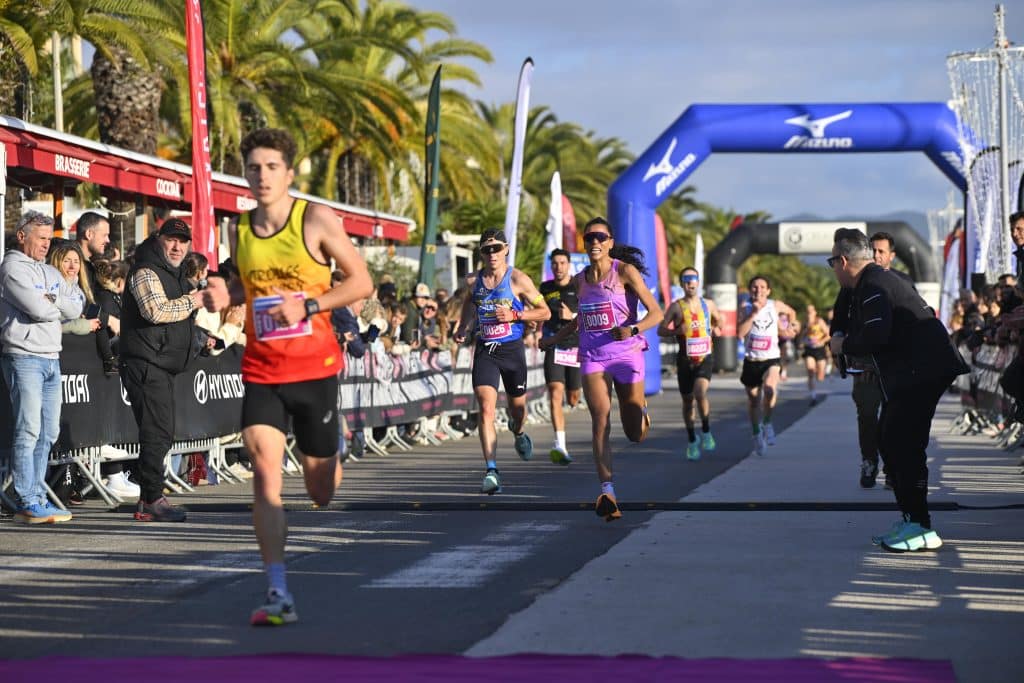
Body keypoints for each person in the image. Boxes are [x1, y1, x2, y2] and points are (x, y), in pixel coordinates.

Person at [204, 127, 373, 626]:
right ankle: (277, 590)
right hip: (262, 369)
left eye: (271, 167)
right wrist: (227, 295)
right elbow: (248, 289)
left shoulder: (314, 219)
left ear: (289, 173)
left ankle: (331, 448)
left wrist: (311, 304)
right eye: (253, 167)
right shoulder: (240, 226)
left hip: (314, 368)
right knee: (265, 476)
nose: (262, 176)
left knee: (320, 491)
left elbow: (360, 282)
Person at [828, 228, 967, 552]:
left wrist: (843, 345)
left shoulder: (874, 284)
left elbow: (876, 335)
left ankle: (920, 525)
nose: (832, 268)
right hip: (916, 370)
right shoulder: (870, 282)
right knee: (890, 439)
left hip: (923, 370)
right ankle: (912, 519)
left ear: (843, 261)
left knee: (902, 443)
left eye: (832, 262)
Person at [546, 217, 663, 521]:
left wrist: (633, 329)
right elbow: (581, 318)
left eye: (600, 237)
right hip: (593, 356)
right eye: (589, 238)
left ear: (610, 242)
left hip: (626, 355)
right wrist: (554, 339)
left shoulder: (624, 272)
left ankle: (640, 411)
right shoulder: (580, 280)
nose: (594, 242)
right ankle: (607, 493)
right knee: (600, 420)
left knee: (634, 433)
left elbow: (656, 313)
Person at [119, 217, 211, 523]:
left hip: (162, 364)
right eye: (171, 240)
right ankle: (152, 499)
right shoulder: (146, 270)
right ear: (159, 239)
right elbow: (155, 311)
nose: (177, 247)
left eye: (183, 242)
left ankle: (149, 496)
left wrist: (201, 340)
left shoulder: (176, 274)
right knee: (156, 432)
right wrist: (193, 300)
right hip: (145, 362)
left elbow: (181, 320)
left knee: (161, 432)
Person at [453, 228, 550, 495]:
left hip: (512, 351)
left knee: (517, 411)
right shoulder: (473, 281)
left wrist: (516, 316)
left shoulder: (518, 279)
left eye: (497, 248)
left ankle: (518, 432)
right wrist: (463, 326)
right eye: (487, 250)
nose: (492, 254)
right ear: (481, 253)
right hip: (486, 350)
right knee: (486, 409)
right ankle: (492, 470)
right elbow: (469, 302)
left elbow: (545, 312)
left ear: (506, 249)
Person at [0, 211, 81, 523]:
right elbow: (38, 310)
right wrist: (56, 302)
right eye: (41, 238)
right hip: (24, 357)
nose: (47, 244)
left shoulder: (48, 270)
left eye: (49, 238)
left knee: (48, 432)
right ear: (22, 236)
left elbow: (77, 306)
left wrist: (53, 299)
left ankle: (36, 495)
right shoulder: (12, 268)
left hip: (51, 358)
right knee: (29, 429)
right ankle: (27, 499)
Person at [658, 266, 720, 461]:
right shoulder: (676, 307)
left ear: (698, 282)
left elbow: (719, 321)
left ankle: (706, 430)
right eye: (686, 279)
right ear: (682, 284)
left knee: (700, 393)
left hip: (704, 357)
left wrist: (716, 328)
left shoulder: (708, 304)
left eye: (693, 278)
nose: (690, 282)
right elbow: (660, 330)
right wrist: (676, 331)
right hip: (685, 359)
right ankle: (692, 439)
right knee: (687, 401)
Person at [736, 275, 797, 456]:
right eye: (755, 287)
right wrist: (753, 314)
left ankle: (768, 422)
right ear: (750, 290)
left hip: (771, 358)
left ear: (768, 291)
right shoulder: (745, 307)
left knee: (770, 389)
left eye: (763, 287)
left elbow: (791, 312)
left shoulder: (775, 305)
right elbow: (740, 333)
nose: (759, 290)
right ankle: (756, 433)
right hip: (752, 360)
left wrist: (790, 326)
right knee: (754, 401)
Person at [537, 248, 581, 465]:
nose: (558, 267)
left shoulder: (579, 286)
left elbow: (589, 313)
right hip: (554, 345)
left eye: (562, 263)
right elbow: (538, 311)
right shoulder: (545, 288)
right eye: (555, 263)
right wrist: (534, 327)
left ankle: (573, 398)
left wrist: (571, 315)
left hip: (575, 347)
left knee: (573, 398)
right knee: (555, 392)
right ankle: (560, 445)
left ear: (568, 265)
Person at [801, 304, 830, 406]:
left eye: (811, 311)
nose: (809, 313)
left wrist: (821, 341)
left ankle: (819, 371)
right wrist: (805, 336)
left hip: (820, 350)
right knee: (810, 371)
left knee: (820, 377)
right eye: (807, 311)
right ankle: (813, 396)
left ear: (815, 312)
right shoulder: (804, 323)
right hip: (809, 350)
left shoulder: (819, 321)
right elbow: (800, 338)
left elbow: (828, 335)